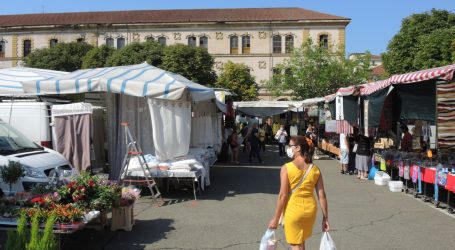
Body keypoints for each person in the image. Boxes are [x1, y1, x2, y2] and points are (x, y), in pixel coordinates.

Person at [268, 136, 330, 249]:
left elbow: (283, 195)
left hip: (294, 211)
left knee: (295, 245)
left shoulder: (286, 168)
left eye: (290, 146)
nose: (288, 148)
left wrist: (276, 219)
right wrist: (325, 218)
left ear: (298, 148)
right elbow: (322, 196)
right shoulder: (315, 169)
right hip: (310, 210)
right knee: (301, 242)